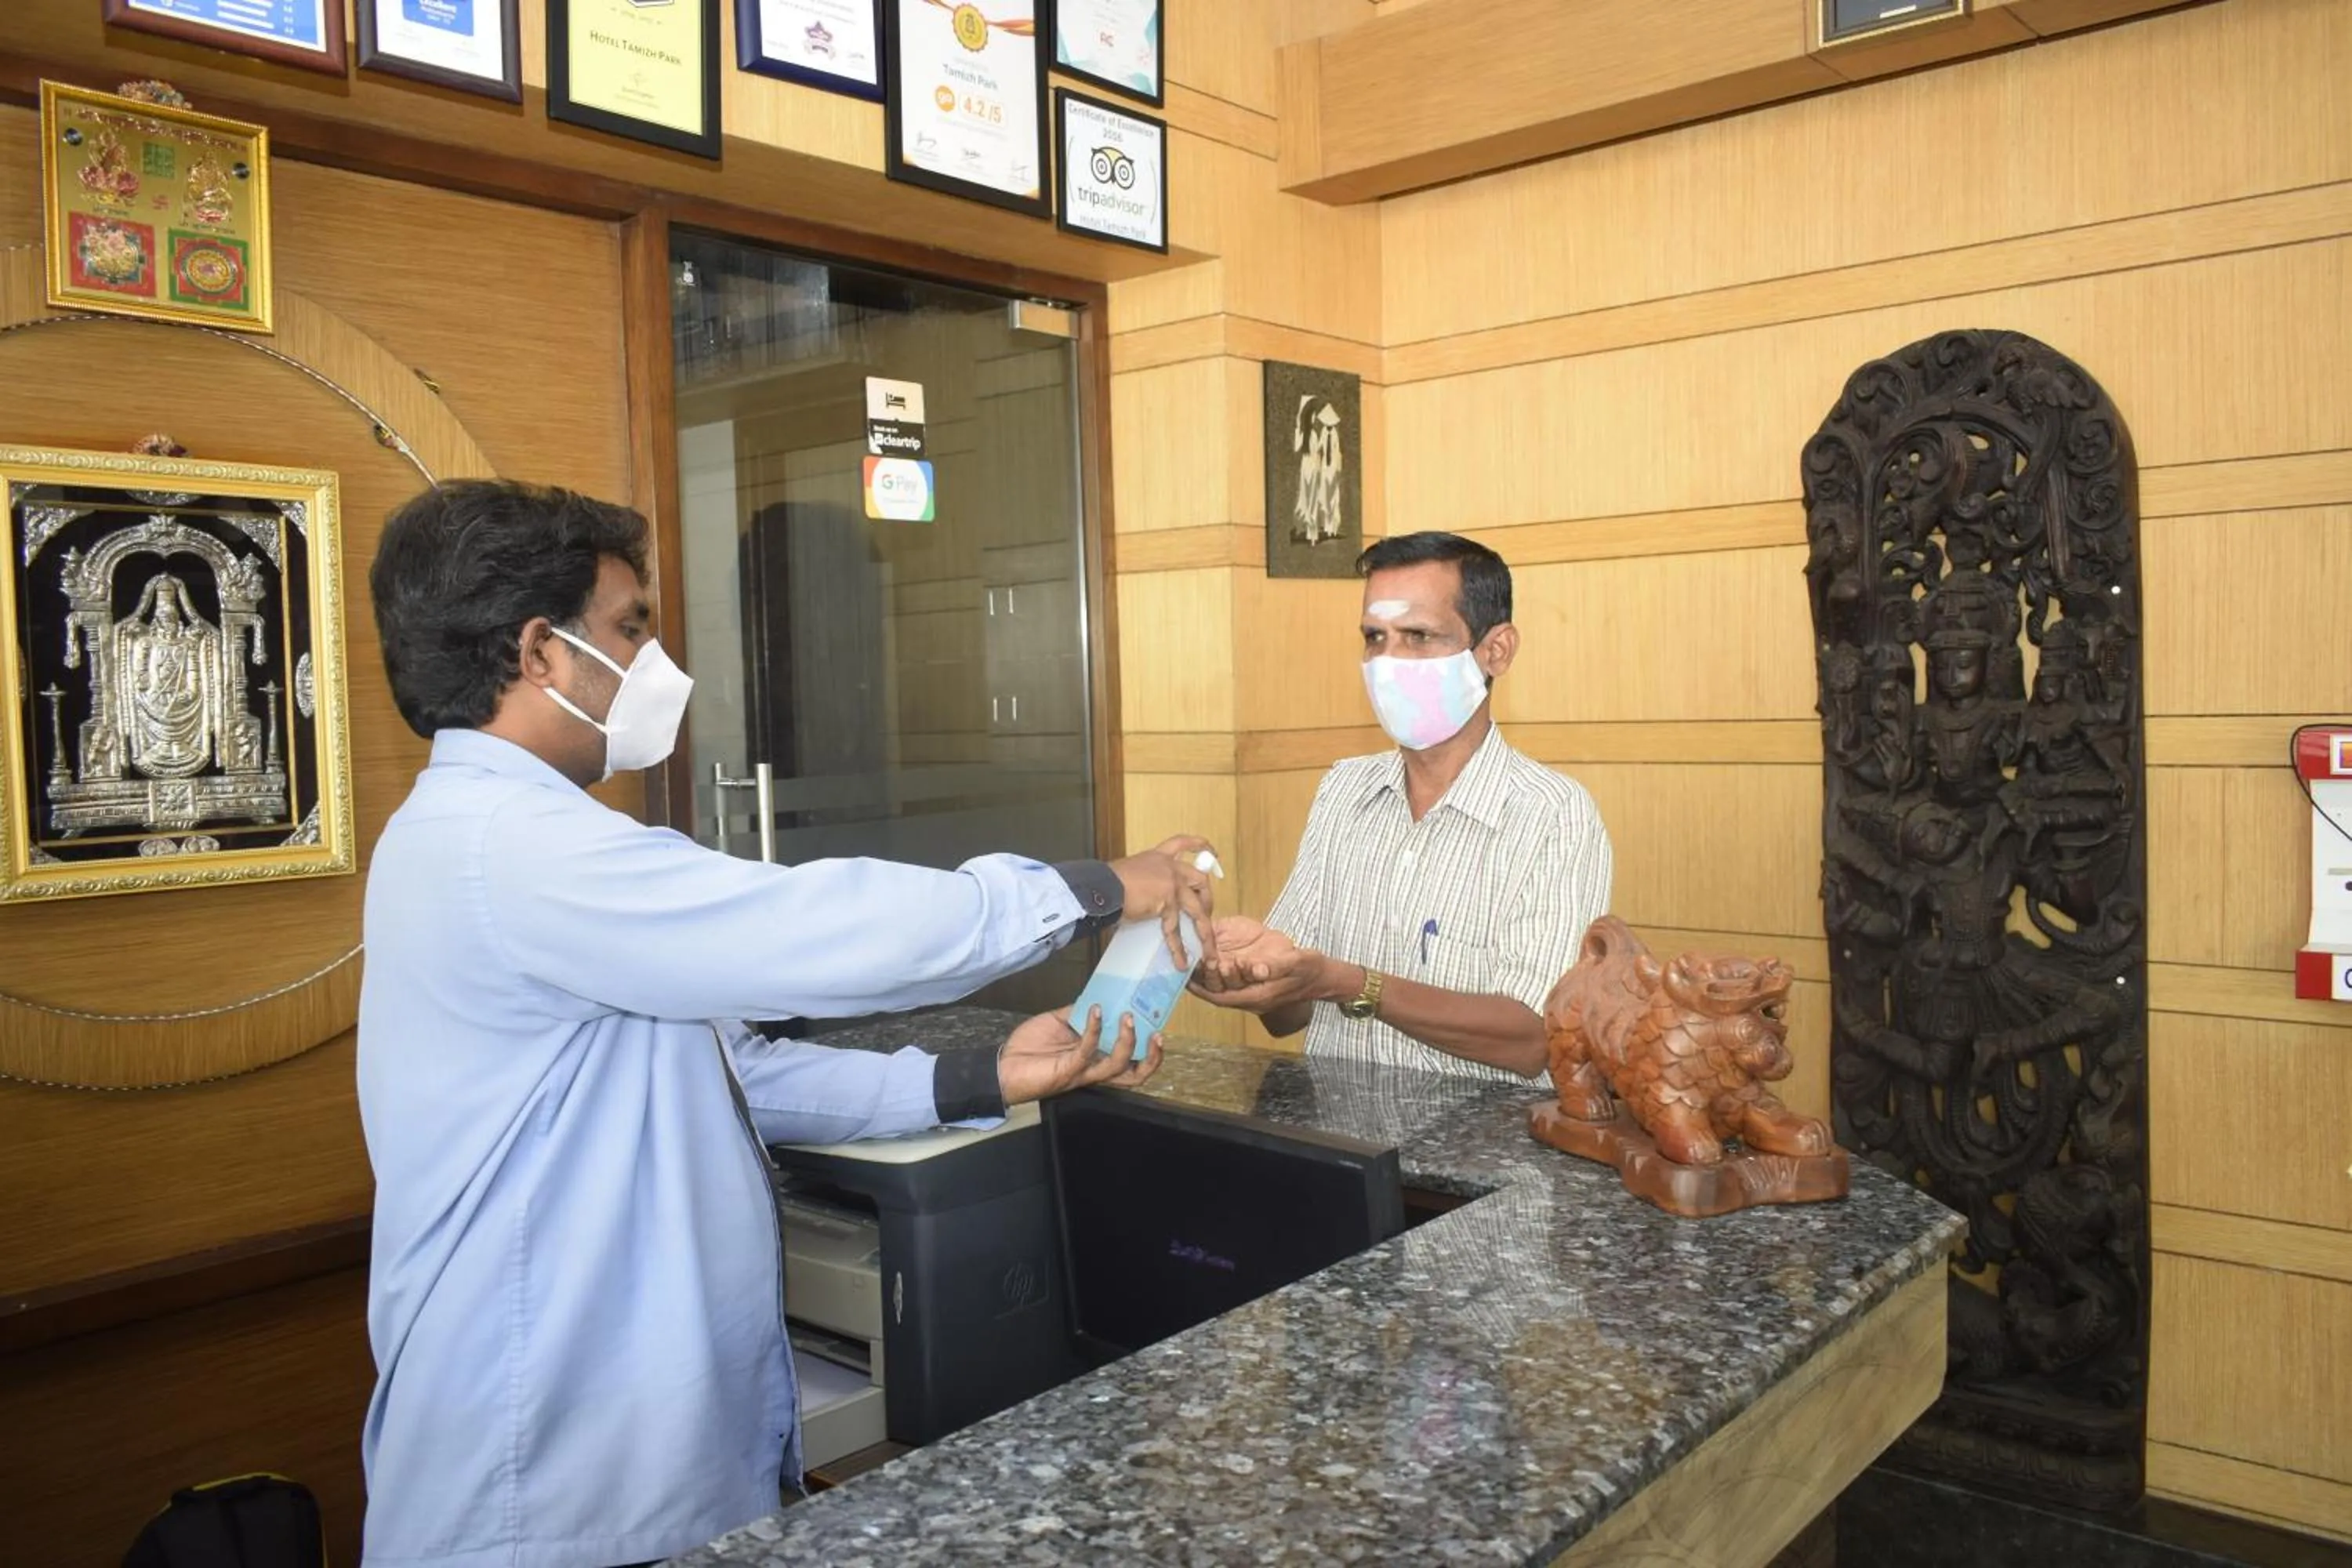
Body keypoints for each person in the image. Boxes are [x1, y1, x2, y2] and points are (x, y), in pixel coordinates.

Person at [356, 480, 1218, 1568]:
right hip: (553, 1497)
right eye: (632, 629)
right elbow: (832, 929)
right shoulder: (511, 850)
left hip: (606, 1480)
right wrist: (1096, 887)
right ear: (541, 653)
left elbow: (726, 1076)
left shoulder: (493, 841)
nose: (659, 667)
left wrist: (979, 1077)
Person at [1190, 532, 1610, 1081]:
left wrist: (1350, 983)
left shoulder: (1552, 814)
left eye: (1418, 636)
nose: (1388, 662)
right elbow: (1286, 1016)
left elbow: (1532, 1038)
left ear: (1496, 650)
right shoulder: (1344, 789)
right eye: (1374, 637)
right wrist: (1258, 967)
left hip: (1476, 1149)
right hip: (1340, 1134)